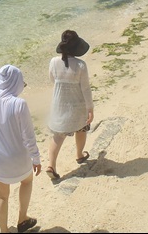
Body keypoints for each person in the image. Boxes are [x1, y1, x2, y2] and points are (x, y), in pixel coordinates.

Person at [0, 65, 41, 234]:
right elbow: (29, 136)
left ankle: (4, 231)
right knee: (27, 181)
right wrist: (36, 158)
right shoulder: (19, 104)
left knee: (2, 196)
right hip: (19, 158)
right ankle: (22, 218)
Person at [46, 30, 94, 182]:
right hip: (77, 104)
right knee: (81, 129)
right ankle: (79, 155)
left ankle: (51, 165)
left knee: (58, 135)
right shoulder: (80, 65)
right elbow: (85, 88)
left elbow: (52, 80)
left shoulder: (53, 62)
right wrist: (90, 108)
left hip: (59, 103)